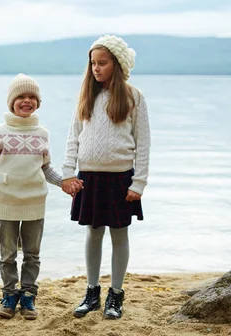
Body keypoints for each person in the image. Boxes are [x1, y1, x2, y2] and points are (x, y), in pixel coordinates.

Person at [0, 74, 83, 320]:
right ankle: (9, 294)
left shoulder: (42, 133)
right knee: (7, 254)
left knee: (32, 253)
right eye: (21, 96)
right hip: (7, 202)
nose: (26, 101)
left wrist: (64, 181)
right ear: (12, 102)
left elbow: (45, 168)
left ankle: (29, 295)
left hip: (35, 203)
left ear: (38, 102)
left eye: (32, 97)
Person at [62, 35, 151, 320]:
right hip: (88, 178)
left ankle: (116, 294)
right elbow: (73, 138)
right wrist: (67, 173)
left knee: (119, 234)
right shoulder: (87, 97)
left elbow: (144, 142)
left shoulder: (134, 97)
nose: (97, 68)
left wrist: (139, 183)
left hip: (120, 179)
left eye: (103, 63)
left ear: (117, 64)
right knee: (93, 232)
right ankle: (92, 292)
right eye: (93, 63)